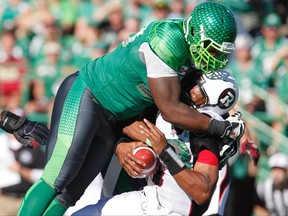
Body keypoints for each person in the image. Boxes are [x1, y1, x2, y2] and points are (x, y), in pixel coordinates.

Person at [4, 2, 245, 215]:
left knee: (69, 194)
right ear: (193, 33)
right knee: (57, 177)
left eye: (220, 53)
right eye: (211, 49)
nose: (215, 59)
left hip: (115, 118)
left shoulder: (188, 60)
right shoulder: (169, 40)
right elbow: (171, 110)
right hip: (90, 94)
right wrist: (221, 128)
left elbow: (158, 112)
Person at [71, 69, 242, 216]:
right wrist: (120, 145)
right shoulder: (171, 108)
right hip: (149, 199)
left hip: (174, 211)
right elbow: (128, 125)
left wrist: (165, 152)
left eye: (197, 90)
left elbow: (202, 192)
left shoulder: (205, 135)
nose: (189, 87)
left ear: (209, 105)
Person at [254, 152, 288, 216]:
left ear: (286, 171)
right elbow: (256, 204)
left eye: (279, 170)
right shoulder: (264, 187)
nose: (276, 174)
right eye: (274, 170)